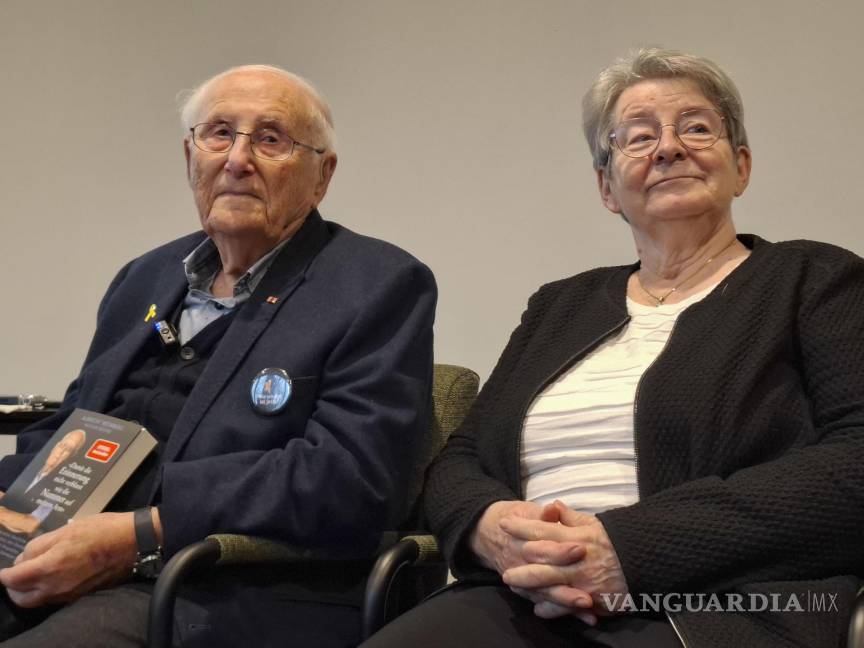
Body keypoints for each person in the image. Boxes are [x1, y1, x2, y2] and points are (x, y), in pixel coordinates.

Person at [362, 48, 864, 648]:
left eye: (697, 128)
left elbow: (855, 461)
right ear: (606, 186)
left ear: (742, 165)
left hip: (719, 604)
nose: (668, 149)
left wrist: (627, 547)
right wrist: (488, 527)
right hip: (521, 600)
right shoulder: (560, 305)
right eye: (638, 137)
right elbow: (461, 458)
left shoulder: (812, 279)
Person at [0, 65, 436, 647]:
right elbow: (78, 424)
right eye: (219, 133)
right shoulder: (144, 277)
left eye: (271, 139)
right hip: (63, 546)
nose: (237, 159)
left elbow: (348, 477)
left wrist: (142, 532)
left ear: (321, 176)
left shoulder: (377, 285)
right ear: (191, 157)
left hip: (217, 582)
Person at [0, 429, 88, 535]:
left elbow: (29, 525)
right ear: (55, 445)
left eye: (68, 450)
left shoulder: (64, 489)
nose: (61, 453)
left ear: (73, 455)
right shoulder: (18, 465)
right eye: (62, 446)